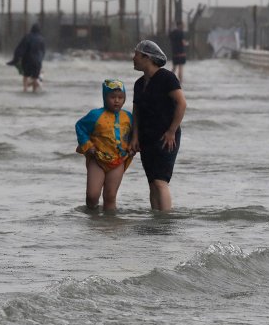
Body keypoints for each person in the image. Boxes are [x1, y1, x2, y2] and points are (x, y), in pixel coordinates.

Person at [130, 40, 187, 212]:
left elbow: (181, 103)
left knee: (160, 181)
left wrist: (171, 131)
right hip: (147, 138)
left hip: (165, 137)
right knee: (152, 182)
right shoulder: (139, 84)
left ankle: (165, 221)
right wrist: (135, 136)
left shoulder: (166, 77)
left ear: (147, 57)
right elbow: (136, 112)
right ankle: (156, 219)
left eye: (136, 55)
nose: (133, 58)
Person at [75, 79, 135, 211]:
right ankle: (92, 218)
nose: (117, 101)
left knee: (110, 196)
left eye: (120, 97)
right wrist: (88, 145)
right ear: (104, 97)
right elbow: (80, 127)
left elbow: (135, 134)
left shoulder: (128, 117)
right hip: (97, 159)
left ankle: (109, 225)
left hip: (118, 161)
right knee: (92, 195)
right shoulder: (95, 115)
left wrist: (133, 146)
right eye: (112, 97)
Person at [7, 24, 46, 93]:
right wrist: (40, 60)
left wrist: (16, 59)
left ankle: (25, 89)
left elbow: (20, 49)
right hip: (37, 62)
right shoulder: (41, 39)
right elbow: (43, 52)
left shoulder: (27, 37)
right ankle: (34, 90)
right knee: (35, 77)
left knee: (26, 75)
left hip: (27, 60)